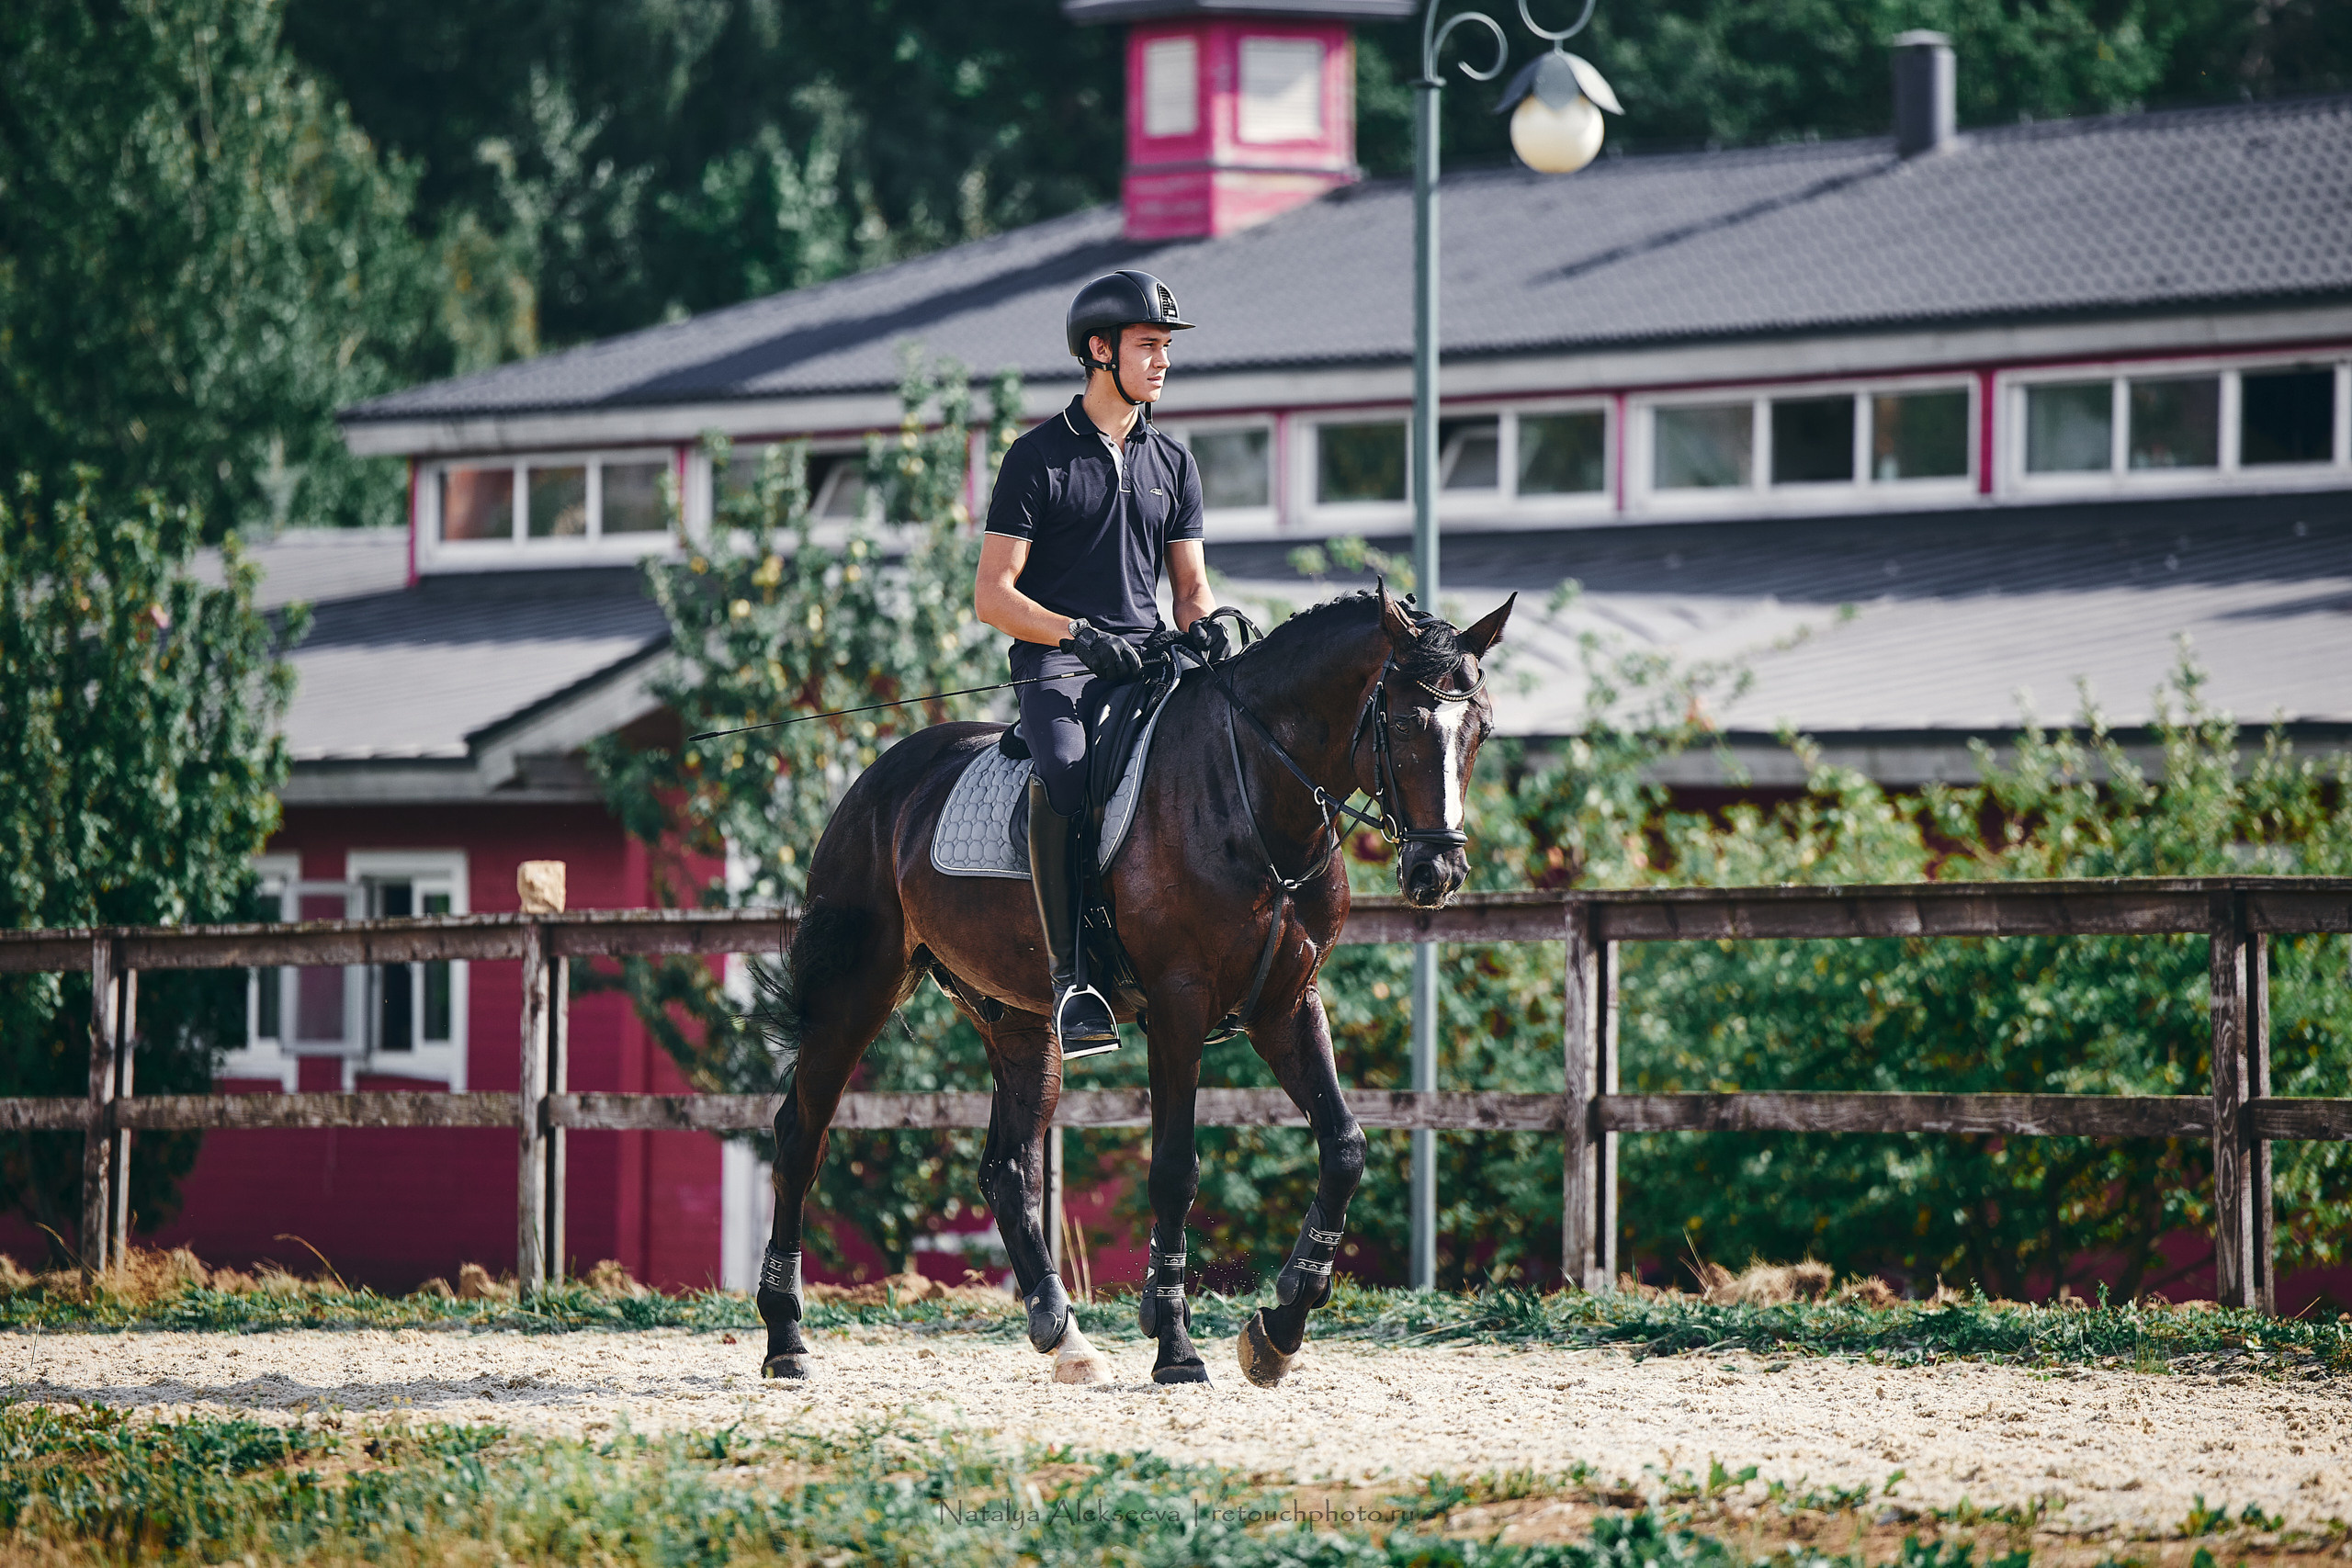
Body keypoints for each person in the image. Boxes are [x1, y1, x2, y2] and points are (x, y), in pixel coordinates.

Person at [973, 270, 1232, 1049]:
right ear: (1099, 350)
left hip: (1149, 658)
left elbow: (1189, 587)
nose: (1162, 361)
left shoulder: (1174, 463)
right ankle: (1070, 979)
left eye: (1166, 348)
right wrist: (1075, 634)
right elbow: (992, 595)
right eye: (1148, 346)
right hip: (1062, 665)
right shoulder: (1037, 458)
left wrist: (1208, 624)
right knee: (1066, 769)